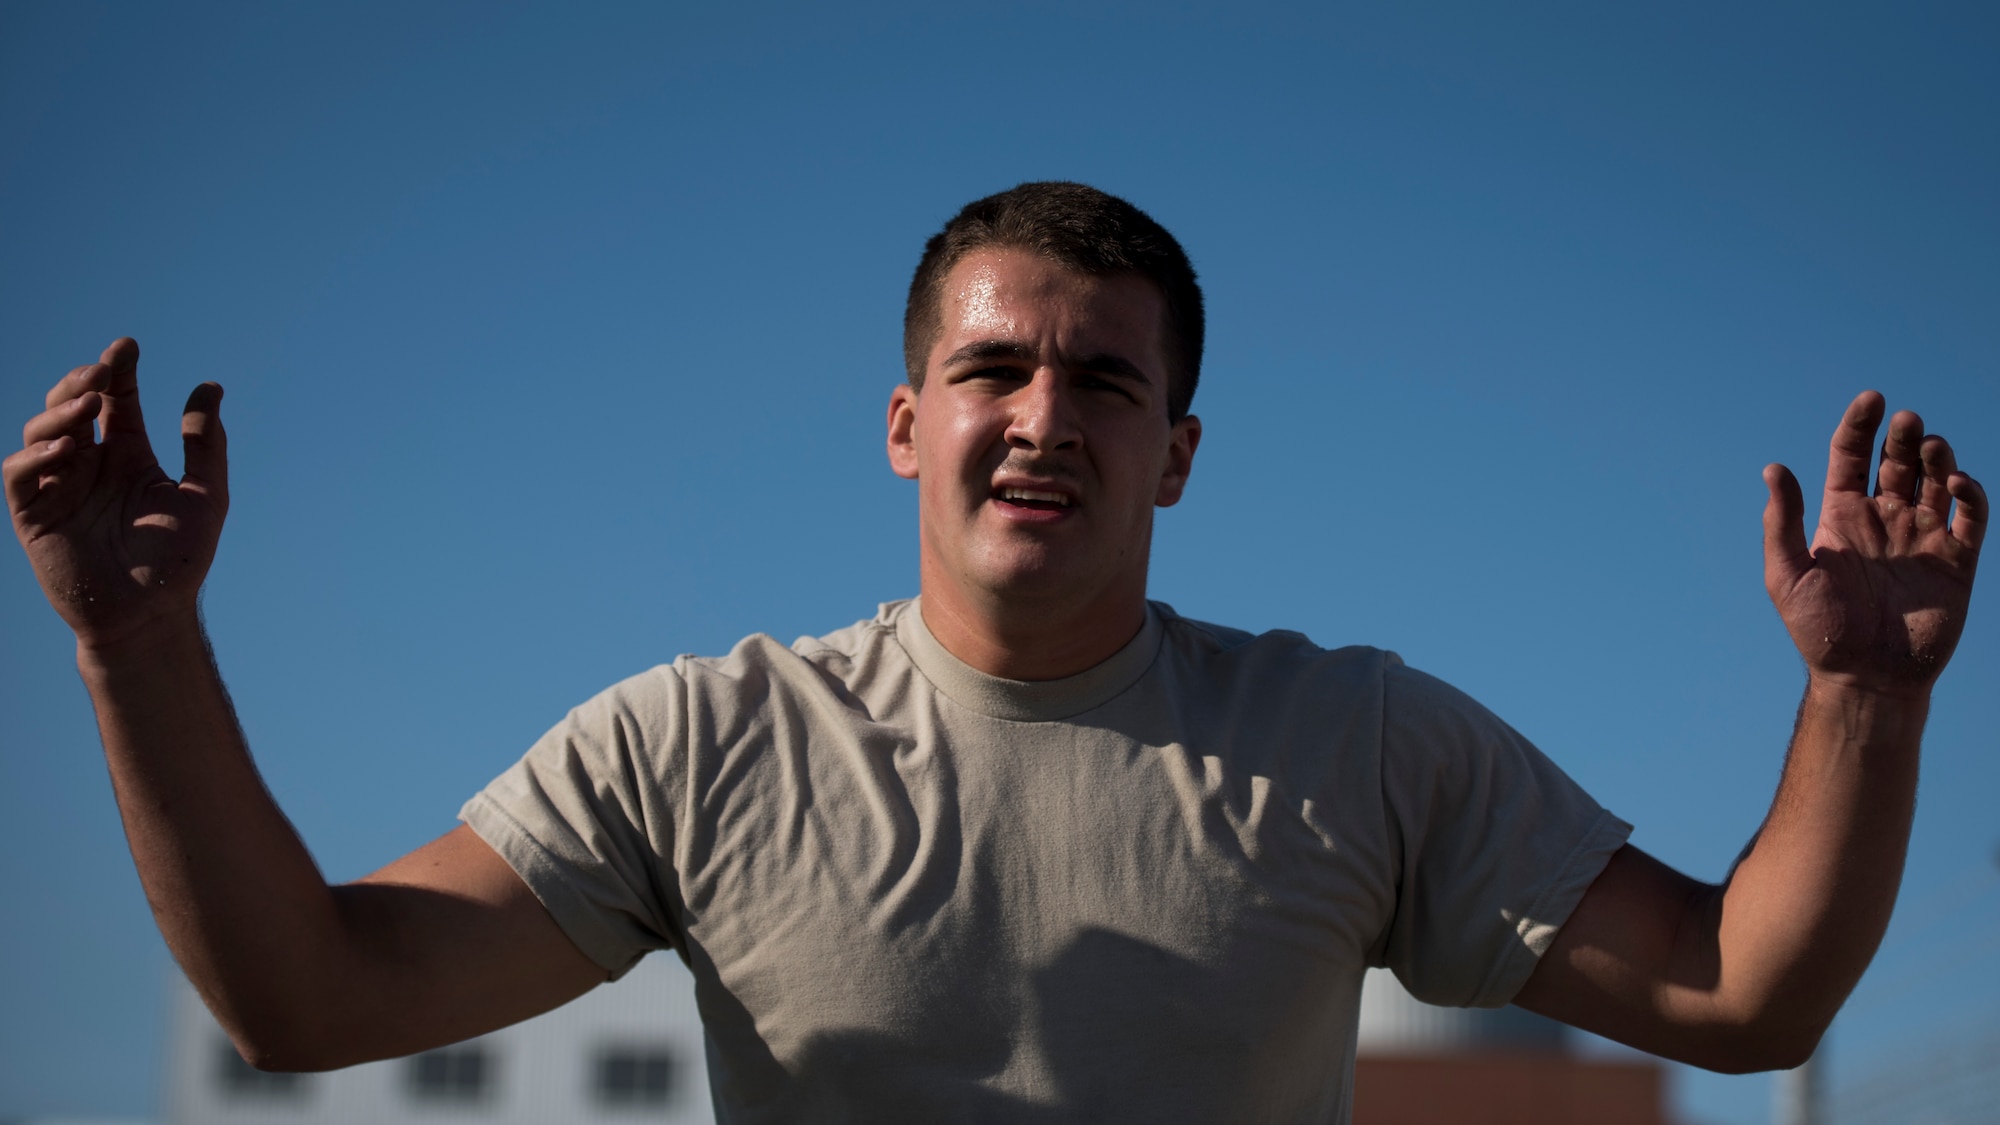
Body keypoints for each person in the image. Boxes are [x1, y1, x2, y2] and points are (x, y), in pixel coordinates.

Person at [5, 182, 1986, 1123]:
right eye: (991, 366)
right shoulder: (707, 739)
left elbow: (1743, 994)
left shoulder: (1348, 735)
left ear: (1176, 451)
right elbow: (299, 992)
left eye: (1104, 379)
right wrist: (134, 646)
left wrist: (1862, 697)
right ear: (905, 420)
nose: (1043, 413)